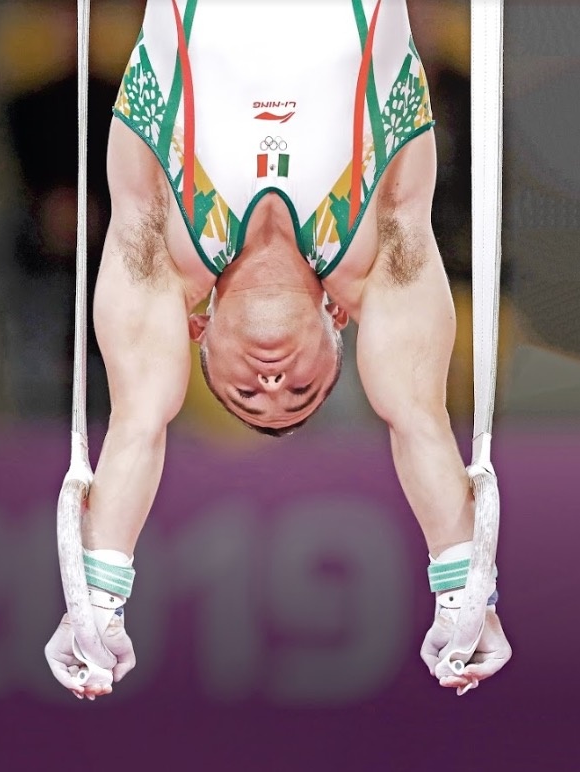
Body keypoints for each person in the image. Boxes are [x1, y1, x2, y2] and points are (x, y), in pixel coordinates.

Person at [45, 0, 511, 699]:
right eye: (299, 391)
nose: (270, 383)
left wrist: (96, 605)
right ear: (340, 322)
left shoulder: (163, 242)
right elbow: (418, 419)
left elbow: (138, 421)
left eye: (245, 393)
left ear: (193, 330)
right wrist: (465, 599)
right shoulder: (376, 245)